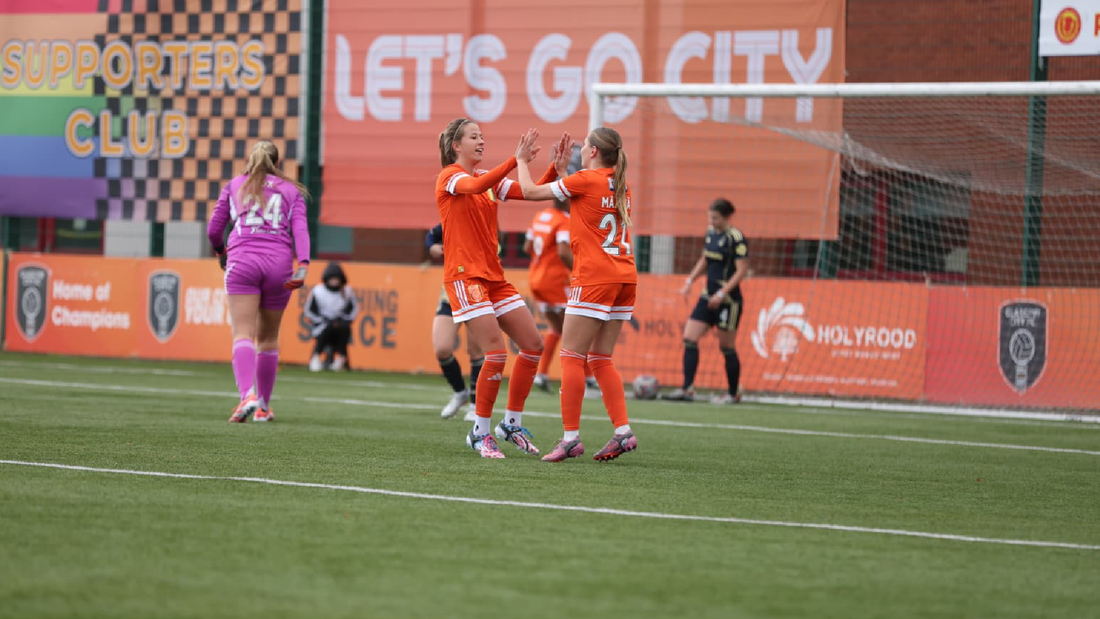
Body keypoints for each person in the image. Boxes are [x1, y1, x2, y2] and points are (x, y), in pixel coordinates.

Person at [435, 117, 562, 458]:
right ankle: (479, 432)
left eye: (482, 136)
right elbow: (475, 188)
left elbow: (529, 192)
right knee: (495, 353)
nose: (480, 141)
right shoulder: (450, 177)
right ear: (455, 146)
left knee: (533, 345)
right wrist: (515, 160)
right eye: (473, 137)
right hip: (465, 278)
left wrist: (553, 168)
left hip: (493, 278)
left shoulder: (485, 180)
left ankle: (511, 424)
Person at [514, 127, 639, 462]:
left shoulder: (584, 179)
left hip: (595, 277)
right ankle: (623, 432)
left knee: (572, 356)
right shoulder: (620, 182)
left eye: (584, 145)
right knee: (600, 358)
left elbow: (528, 191)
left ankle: (570, 438)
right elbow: (585, 199)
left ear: (595, 152)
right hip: (625, 276)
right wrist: (561, 171)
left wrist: (521, 160)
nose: (580, 149)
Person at [207, 140, 310, 423]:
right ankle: (263, 407)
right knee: (268, 338)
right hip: (279, 265)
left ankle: (246, 397)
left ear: (250, 161)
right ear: (277, 164)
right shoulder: (291, 190)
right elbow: (300, 230)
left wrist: (220, 251)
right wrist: (303, 265)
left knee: (243, 333)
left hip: (242, 262)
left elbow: (214, 229)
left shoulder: (235, 185)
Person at [662, 198, 749, 404]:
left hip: (728, 300)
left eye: (715, 218)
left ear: (727, 217)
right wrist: (690, 280)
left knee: (726, 346)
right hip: (707, 296)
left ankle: (733, 393)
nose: (712, 221)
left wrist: (722, 293)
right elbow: (705, 260)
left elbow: (742, 271)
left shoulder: (736, 238)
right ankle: (687, 389)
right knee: (689, 337)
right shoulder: (710, 233)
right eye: (710, 217)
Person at [524, 180, 602, 400]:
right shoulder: (564, 221)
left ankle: (541, 374)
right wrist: (579, 271)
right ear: (567, 199)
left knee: (557, 328)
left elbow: (527, 247)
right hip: (555, 282)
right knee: (578, 330)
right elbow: (562, 251)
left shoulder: (541, 216)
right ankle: (586, 380)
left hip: (536, 279)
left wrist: (542, 263)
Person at [426, 223, 484, 421]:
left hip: (477, 293)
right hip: (450, 294)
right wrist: (432, 246)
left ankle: (477, 406)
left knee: (476, 351)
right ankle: (461, 392)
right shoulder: (453, 218)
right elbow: (431, 235)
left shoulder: (485, 222)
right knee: (442, 349)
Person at [303, 262, 359, 372]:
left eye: (337, 279)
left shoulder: (347, 291)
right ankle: (316, 357)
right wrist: (323, 320)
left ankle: (340, 359)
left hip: (340, 324)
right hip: (322, 325)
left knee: (344, 329)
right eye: (332, 279)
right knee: (327, 327)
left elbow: (353, 310)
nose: (334, 281)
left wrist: (343, 320)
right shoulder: (318, 291)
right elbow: (309, 311)